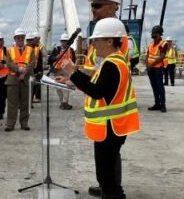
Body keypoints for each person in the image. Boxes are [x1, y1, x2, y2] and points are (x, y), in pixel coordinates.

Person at [58, 17, 140, 199]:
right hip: (112, 128)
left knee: (107, 180)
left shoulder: (111, 64)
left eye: (96, 40)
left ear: (110, 40)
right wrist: (74, 77)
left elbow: (96, 92)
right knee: (108, 178)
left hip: (109, 128)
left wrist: (73, 73)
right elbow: (97, 85)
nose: (93, 44)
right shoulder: (115, 61)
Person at [83, 0, 128, 77]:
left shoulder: (115, 34)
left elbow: (102, 72)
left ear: (111, 8)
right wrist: (73, 79)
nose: (93, 9)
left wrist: (77, 79)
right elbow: (95, 67)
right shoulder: (102, 33)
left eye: (97, 6)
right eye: (92, 6)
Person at [5, 28, 34, 131]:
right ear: (15, 38)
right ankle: (10, 124)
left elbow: (32, 63)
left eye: (22, 37)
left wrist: (24, 72)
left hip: (25, 79)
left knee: (25, 103)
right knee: (12, 103)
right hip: (13, 79)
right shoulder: (10, 50)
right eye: (18, 38)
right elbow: (9, 63)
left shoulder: (30, 50)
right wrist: (19, 70)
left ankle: (24, 123)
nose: (20, 39)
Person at [48, 33, 76, 110]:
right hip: (57, 71)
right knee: (58, 87)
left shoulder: (71, 50)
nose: (64, 42)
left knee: (67, 86)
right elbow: (49, 59)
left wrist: (73, 70)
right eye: (63, 41)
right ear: (61, 41)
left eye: (66, 41)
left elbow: (74, 60)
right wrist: (56, 57)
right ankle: (61, 102)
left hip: (67, 71)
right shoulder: (56, 49)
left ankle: (65, 102)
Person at [146, 25, 168, 113]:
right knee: (154, 87)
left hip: (158, 69)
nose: (152, 34)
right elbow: (147, 55)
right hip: (151, 69)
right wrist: (147, 64)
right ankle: (157, 104)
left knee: (160, 87)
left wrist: (151, 65)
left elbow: (162, 56)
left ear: (159, 34)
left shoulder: (163, 43)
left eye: (154, 33)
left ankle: (163, 105)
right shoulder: (151, 44)